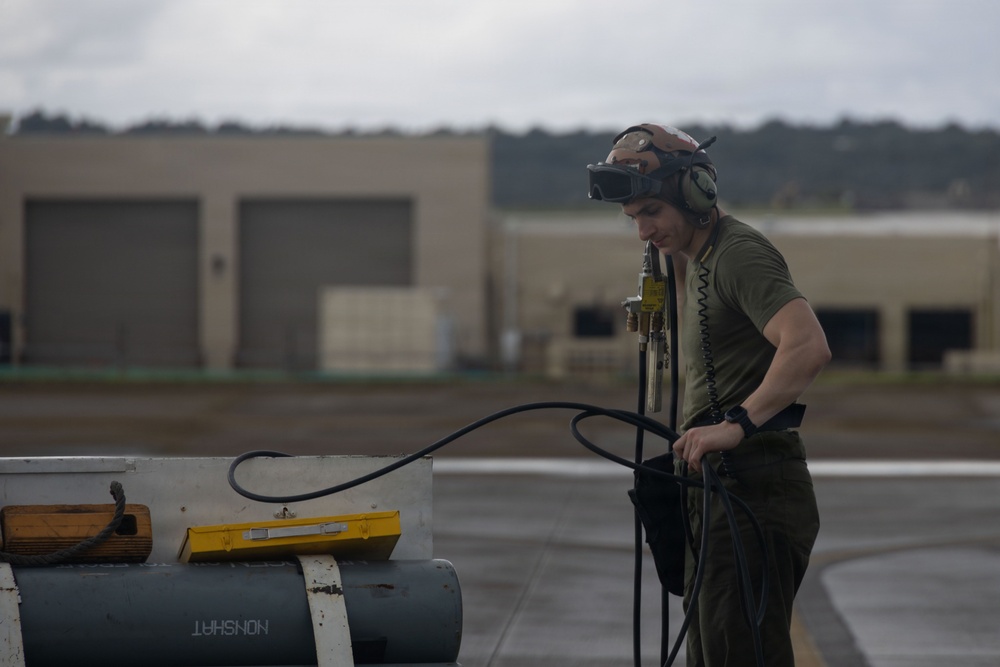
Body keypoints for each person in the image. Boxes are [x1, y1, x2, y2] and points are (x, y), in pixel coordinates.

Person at [587, 123, 831, 667]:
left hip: (752, 489)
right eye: (634, 220)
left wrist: (737, 423)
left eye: (651, 212)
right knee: (712, 650)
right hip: (716, 488)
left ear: (695, 193)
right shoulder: (695, 261)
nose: (644, 231)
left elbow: (808, 345)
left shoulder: (739, 253)